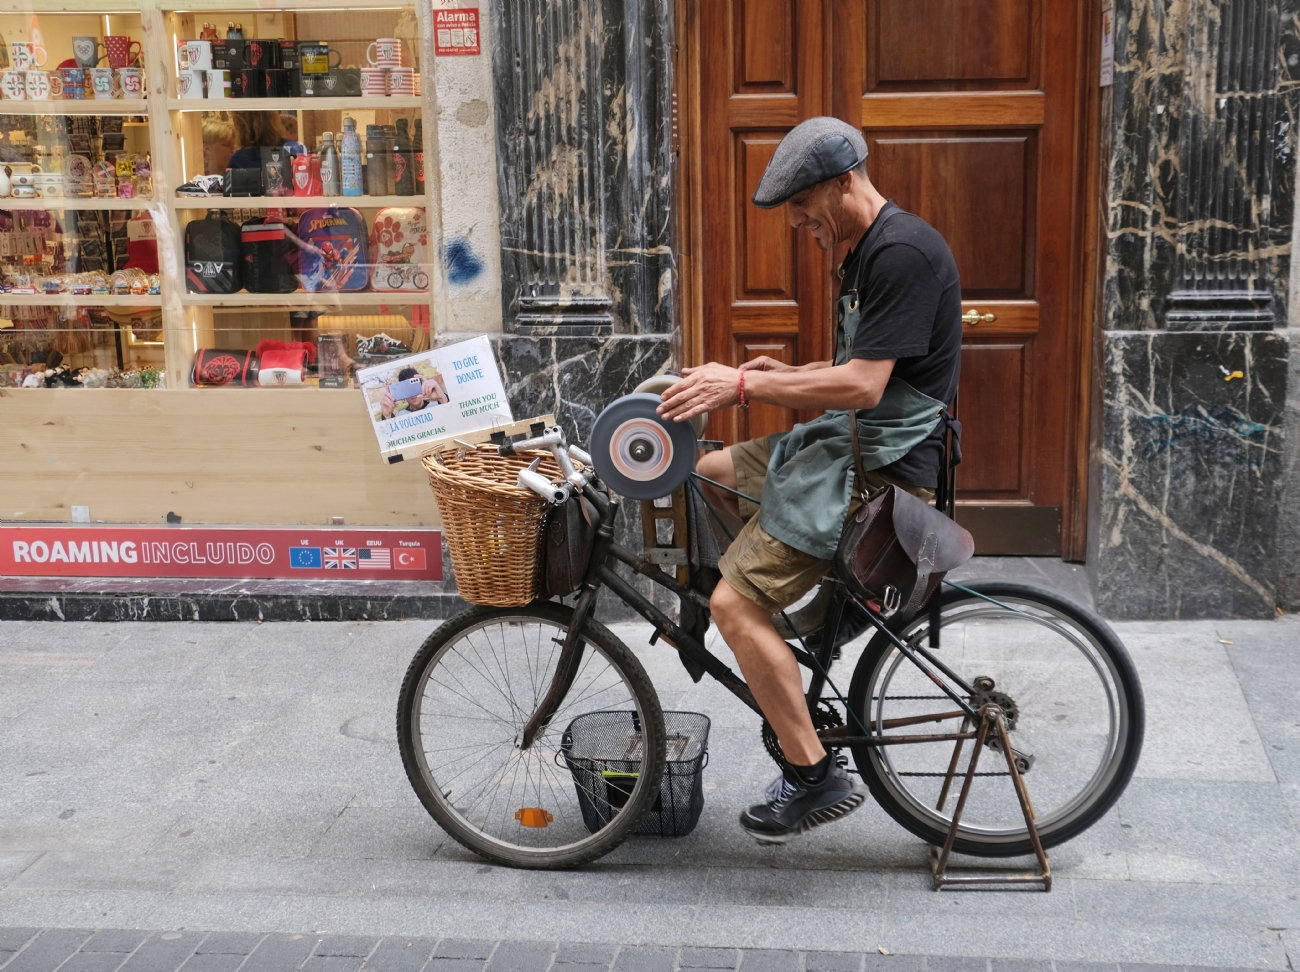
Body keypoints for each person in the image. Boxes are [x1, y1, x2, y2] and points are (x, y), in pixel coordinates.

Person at [657, 116, 963, 844]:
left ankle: (812, 772)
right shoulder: (863, 254)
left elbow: (862, 388)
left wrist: (742, 386)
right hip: (843, 443)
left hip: (879, 470)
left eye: (802, 205)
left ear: (842, 182)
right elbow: (865, 378)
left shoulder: (902, 254)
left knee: (734, 604)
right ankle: (763, 628)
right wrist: (782, 374)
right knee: (705, 474)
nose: (798, 222)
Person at [380, 366, 448, 419]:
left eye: (414, 388)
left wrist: (442, 398)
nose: (413, 395)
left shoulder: (438, 404)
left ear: (421, 385)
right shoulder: (400, 415)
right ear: (402, 391)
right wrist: (387, 416)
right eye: (408, 389)